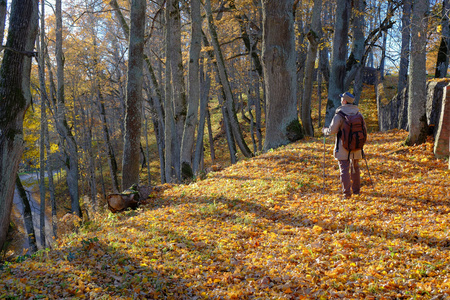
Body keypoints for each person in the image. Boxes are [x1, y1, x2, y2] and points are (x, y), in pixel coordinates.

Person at [322, 92, 366, 199]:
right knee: (355, 168)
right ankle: (356, 192)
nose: (341, 100)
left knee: (344, 169)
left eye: (342, 99)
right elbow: (364, 130)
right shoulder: (358, 114)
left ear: (344, 101)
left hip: (343, 147)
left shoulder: (340, 115)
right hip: (356, 146)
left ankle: (347, 194)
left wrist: (325, 131)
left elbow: (332, 130)